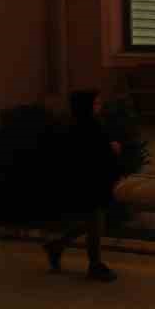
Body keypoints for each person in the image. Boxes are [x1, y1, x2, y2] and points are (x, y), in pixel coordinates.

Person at [44, 90, 121, 282]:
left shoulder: (78, 124)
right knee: (95, 222)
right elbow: (93, 152)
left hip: (85, 181)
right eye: (96, 104)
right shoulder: (89, 126)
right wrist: (112, 149)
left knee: (93, 222)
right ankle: (94, 265)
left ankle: (58, 246)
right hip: (90, 182)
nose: (99, 107)